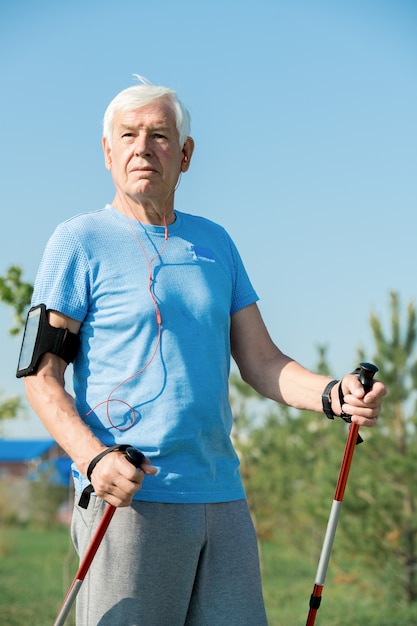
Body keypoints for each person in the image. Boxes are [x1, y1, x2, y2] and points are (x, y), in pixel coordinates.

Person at [21, 76, 386, 626]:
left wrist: (335, 394)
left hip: (222, 499)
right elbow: (39, 375)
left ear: (186, 154)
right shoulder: (78, 241)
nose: (143, 148)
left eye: (160, 135)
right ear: (107, 151)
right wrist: (92, 460)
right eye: (128, 135)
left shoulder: (215, 243)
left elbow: (262, 362)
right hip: (131, 497)